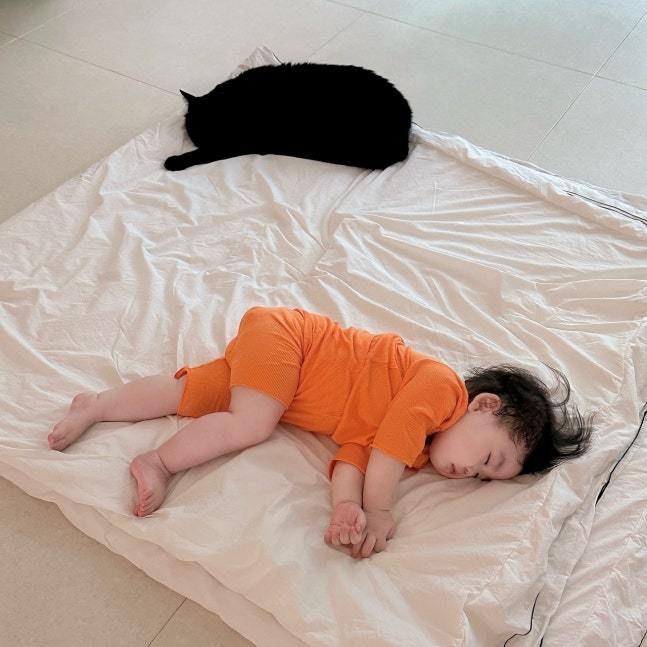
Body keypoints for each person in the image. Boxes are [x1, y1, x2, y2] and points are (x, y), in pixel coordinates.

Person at [48, 306, 593, 559]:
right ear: (484, 405)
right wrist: (380, 510)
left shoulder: (415, 452)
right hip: (292, 342)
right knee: (251, 424)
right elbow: (386, 449)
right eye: (489, 459)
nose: (470, 471)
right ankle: (159, 462)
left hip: (282, 385)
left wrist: (346, 509)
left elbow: (354, 458)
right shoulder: (439, 388)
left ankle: (97, 406)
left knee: (190, 394)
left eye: (482, 479)